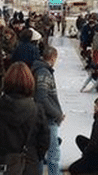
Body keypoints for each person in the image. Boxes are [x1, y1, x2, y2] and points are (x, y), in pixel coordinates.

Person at [0, 62, 50, 175]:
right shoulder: (36, 109)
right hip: (29, 164)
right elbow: (44, 140)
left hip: (2, 164)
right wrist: (35, 157)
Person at [32, 46, 64, 175]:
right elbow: (42, 98)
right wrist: (57, 114)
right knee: (53, 153)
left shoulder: (42, 71)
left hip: (45, 117)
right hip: (47, 119)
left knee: (43, 153)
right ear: (52, 57)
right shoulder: (43, 73)